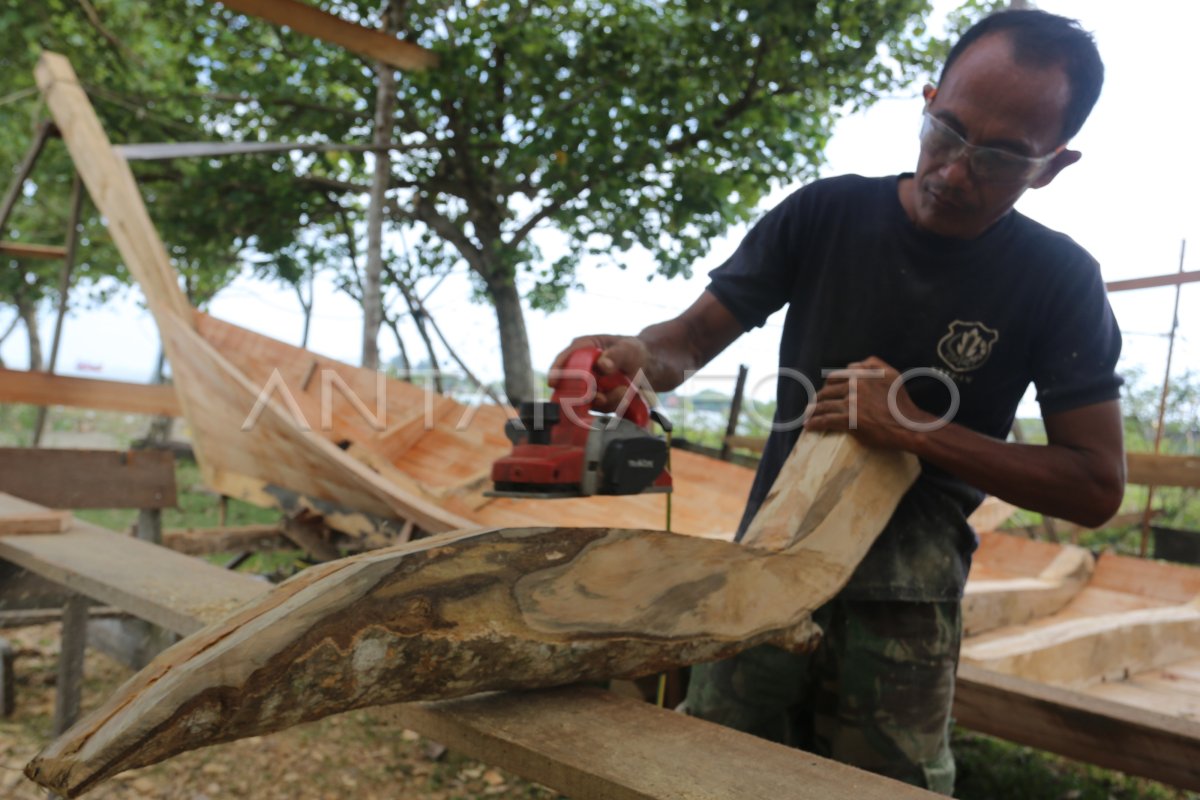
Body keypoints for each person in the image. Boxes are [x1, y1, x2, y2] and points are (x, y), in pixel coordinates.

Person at [551, 8, 1125, 795]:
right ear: (927, 100)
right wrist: (636, 360)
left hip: (908, 607)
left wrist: (916, 429)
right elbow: (686, 341)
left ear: (1052, 166)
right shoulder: (825, 213)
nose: (955, 170)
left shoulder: (1059, 280)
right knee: (707, 772)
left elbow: (1094, 485)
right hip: (767, 563)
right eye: (946, 130)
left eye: (998, 157)